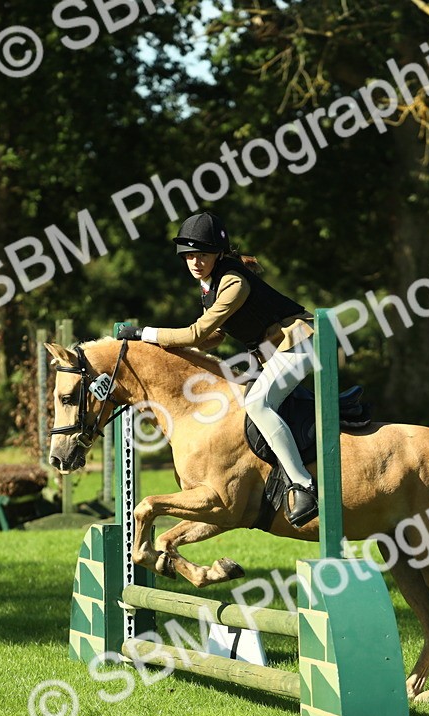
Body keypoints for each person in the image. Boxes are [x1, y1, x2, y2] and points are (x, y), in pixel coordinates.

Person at [116, 211, 319, 526]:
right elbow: (214, 338)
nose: (196, 262)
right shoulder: (209, 284)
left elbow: (198, 332)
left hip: (300, 338)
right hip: (271, 349)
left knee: (258, 403)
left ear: (219, 254)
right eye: (190, 256)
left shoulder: (234, 282)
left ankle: (303, 484)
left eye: (203, 255)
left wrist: (145, 334)